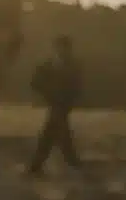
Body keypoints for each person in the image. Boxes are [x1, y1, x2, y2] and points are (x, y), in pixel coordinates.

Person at [27, 35, 84, 175]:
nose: (62, 50)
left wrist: (67, 99)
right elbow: (35, 82)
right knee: (56, 134)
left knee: (52, 134)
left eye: (64, 47)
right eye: (60, 47)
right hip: (56, 103)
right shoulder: (52, 64)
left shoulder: (70, 65)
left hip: (62, 104)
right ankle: (71, 163)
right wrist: (48, 92)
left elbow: (76, 87)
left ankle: (37, 167)